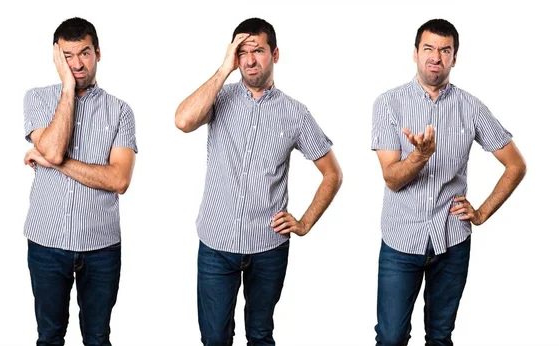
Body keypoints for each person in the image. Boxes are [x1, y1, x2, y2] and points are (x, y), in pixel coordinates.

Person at [175, 17, 343, 346]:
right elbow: (182, 120)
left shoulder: (295, 113)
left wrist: (305, 222)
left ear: (275, 54)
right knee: (213, 338)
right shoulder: (218, 98)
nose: (250, 59)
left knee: (260, 335)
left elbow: (332, 174)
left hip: (268, 247)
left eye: (259, 51)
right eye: (243, 52)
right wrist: (224, 68)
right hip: (216, 243)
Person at [371, 18, 527, 345]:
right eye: (428, 48)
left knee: (440, 338)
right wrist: (419, 156)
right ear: (415, 53)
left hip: (452, 241)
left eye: (445, 50)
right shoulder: (388, 103)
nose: (436, 57)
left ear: (455, 58)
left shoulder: (471, 108)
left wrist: (482, 213)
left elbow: (515, 165)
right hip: (401, 241)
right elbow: (392, 179)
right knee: (390, 337)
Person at [22, 17, 137, 346]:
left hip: (101, 247)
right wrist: (68, 89)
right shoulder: (38, 99)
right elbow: (55, 148)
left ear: (98, 53)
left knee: (98, 338)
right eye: (67, 56)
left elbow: (119, 179)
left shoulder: (120, 112)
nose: (77, 63)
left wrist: (48, 160)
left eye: (84, 53)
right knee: (49, 337)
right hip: (46, 243)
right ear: (57, 58)